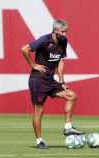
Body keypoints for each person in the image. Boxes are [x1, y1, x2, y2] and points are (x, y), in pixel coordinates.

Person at [21, 19, 84, 149]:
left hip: (50, 80)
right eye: (63, 32)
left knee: (71, 96)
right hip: (37, 79)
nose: (65, 35)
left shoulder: (63, 41)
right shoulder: (44, 40)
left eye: (66, 32)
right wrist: (33, 65)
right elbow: (24, 49)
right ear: (55, 30)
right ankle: (39, 141)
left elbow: (61, 61)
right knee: (39, 110)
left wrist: (61, 80)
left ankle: (67, 127)